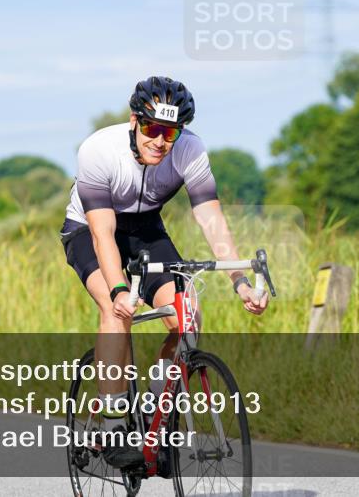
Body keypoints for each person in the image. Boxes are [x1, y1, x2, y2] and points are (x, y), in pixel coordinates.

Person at [61, 76, 268, 468]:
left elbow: (211, 220)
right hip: (90, 229)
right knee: (113, 308)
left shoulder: (190, 151)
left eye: (170, 133)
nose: (159, 141)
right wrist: (121, 288)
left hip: (145, 230)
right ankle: (112, 421)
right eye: (152, 129)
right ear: (134, 121)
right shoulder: (98, 150)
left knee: (186, 313)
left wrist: (239, 280)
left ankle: (157, 410)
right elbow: (103, 234)